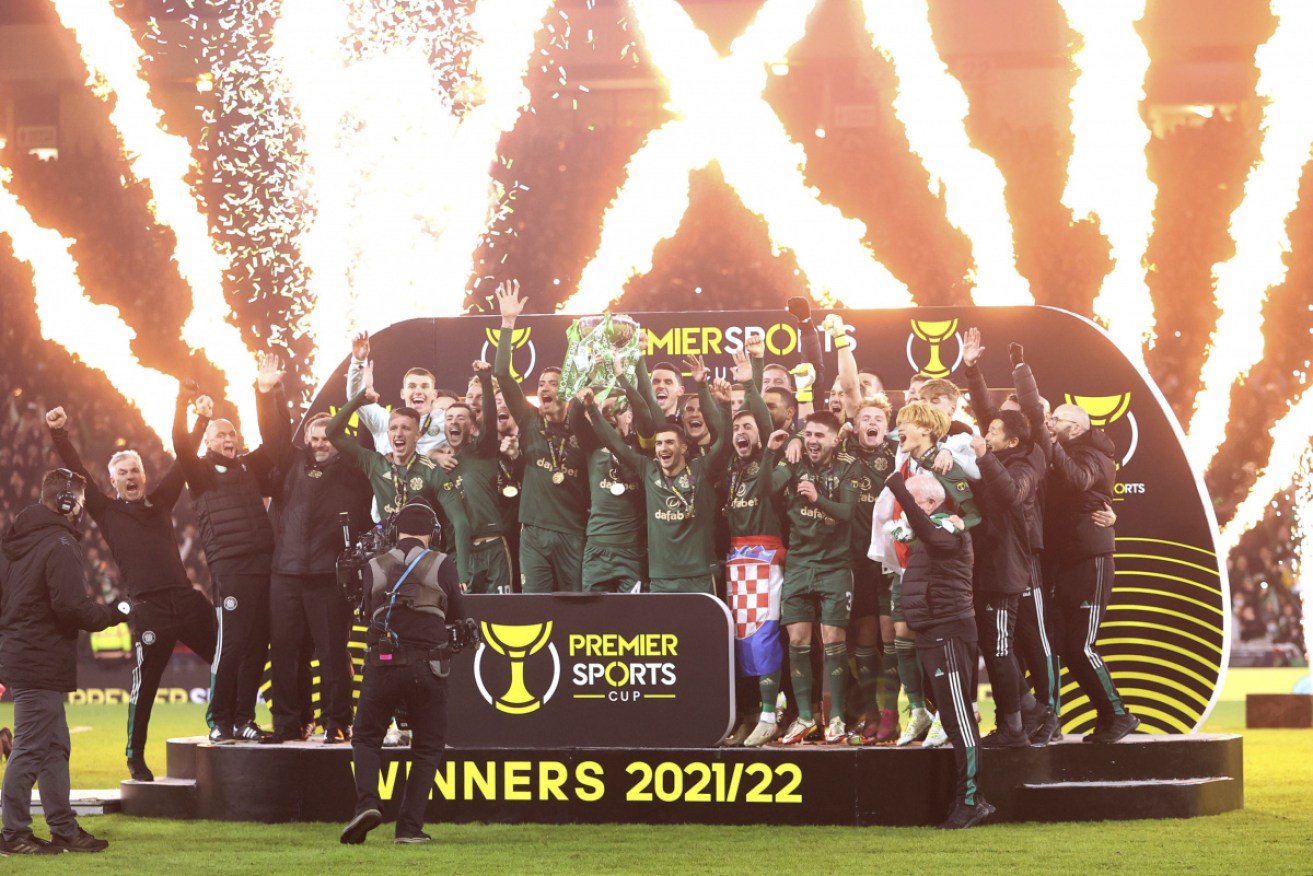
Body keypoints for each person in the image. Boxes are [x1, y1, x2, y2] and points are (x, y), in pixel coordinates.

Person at [45, 400, 216, 781]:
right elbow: (77, 471)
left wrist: (201, 418)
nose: (131, 475)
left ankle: (231, 723)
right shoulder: (106, 511)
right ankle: (135, 757)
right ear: (113, 482)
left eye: (135, 469)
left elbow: (181, 460)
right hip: (149, 607)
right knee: (146, 686)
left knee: (229, 655)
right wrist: (59, 433)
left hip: (185, 599)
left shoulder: (160, 502)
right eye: (123, 472)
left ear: (143, 473)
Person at [0, 469, 128, 854]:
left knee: (53, 747)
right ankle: (14, 834)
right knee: (30, 748)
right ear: (68, 502)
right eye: (81, 503)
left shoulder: (16, 544)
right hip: (40, 660)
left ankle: (64, 829)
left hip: (27, 656)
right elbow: (71, 607)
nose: (82, 511)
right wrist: (116, 611)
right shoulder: (59, 543)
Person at [176, 356, 287, 744]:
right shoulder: (200, 472)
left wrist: (265, 393)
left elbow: (275, 441)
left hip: (263, 566)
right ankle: (218, 720)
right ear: (208, 441)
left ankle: (244, 719)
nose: (229, 439)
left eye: (232, 434)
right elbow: (180, 446)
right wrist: (194, 415)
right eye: (221, 435)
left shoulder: (248, 468)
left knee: (258, 645)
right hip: (231, 569)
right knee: (231, 645)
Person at [340, 501, 465, 845]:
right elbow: (460, 617)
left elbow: (365, 614)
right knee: (427, 747)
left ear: (396, 531)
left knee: (366, 736)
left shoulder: (373, 565)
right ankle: (409, 829)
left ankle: (367, 804)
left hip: (382, 664)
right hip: (429, 665)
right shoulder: (443, 563)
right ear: (433, 533)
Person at [885, 470, 992, 830]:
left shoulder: (949, 527)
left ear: (930, 503)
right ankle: (968, 798)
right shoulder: (927, 533)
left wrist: (897, 485)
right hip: (934, 633)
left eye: (909, 503)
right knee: (952, 718)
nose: (903, 511)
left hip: (949, 632)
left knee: (959, 719)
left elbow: (930, 532)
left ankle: (971, 801)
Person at [262, 409, 373, 744]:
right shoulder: (291, 466)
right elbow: (275, 433)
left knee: (333, 653)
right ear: (306, 440)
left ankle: (337, 722)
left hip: (330, 575)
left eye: (328, 437)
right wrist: (268, 397)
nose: (321, 443)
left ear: (339, 442)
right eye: (315, 438)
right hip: (286, 573)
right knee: (284, 652)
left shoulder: (354, 471)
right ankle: (288, 722)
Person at [585, 355, 727, 594]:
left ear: (683, 447)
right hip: (661, 577)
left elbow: (723, 439)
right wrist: (591, 408)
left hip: (699, 575)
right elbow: (614, 443)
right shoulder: (648, 469)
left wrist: (707, 391)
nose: (663, 448)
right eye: (659, 444)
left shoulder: (702, 468)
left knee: (700, 632)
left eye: (669, 443)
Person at [1047, 403, 1139, 742]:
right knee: (1068, 647)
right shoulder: (1065, 451)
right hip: (1068, 560)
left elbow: (1079, 482)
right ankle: (1107, 715)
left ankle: (1118, 714)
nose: (1050, 424)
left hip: (1090, 559)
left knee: (1081, 645)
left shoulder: (1094, 454)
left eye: (1055, 420)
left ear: (1074, 427)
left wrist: (1053, 446)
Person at [494, 281, 589, 592]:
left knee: (575, 609)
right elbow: (503, 375)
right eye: (542, 383)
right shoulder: (530, 419)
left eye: (553, 383)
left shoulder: (581, 426)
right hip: (533, 531)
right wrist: (508, 323)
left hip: (572, 531)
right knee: (536, 607)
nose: (546, 388)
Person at [773, 411, 860, 744]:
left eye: (819, 435)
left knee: (833, 640)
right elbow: (767, 487)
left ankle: (836, 717)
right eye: (807, 434)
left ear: (835, 439)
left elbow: (847, 513)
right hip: (798, 564)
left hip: (835, 564)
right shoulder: (794, 458)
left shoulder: (848, 465)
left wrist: (818, 498)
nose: (811, 440)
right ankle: (805, 718)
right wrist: (777, 451)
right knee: (797, 640)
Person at [723, 347, 789, 746]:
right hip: (735, 561)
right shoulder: (731, 469)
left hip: (766, 561)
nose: (741, 433)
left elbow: (762, 418)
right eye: (736, 428)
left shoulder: (776, 461)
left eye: (748, 426)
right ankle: (749, 714)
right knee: (740, 639)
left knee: (763, 635)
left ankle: (769, 713)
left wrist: (753, 377)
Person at [968, 412, 1044, 748]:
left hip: (1004, 573)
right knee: (992, 646)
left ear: (1011, 441)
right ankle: (1029, 708)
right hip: (987, 570)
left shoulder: (1023, 465)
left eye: (994, 432)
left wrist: (983, 456)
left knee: (999, 649)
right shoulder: (993, 461)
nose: (987, 435)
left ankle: (1014, 729)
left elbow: (1011, 493)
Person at [438, 363, 512, 594]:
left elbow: (490, 418)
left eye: (461, 418)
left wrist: (485, 378)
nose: (454, 422)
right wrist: (434, 455)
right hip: (460, 553)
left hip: (493, 547)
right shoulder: (437, 465)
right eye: (449, 418)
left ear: (472, 427)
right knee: (465, 619)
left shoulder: (483, 450)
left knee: (501, 616)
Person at [346, 330, 447, 455]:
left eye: (425, 386)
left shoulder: (446, 421)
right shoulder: (385, 421)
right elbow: (355, 397)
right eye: (412, 386)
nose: (418, 391)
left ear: (434, 394)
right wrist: (358, 361)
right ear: (402, 393)